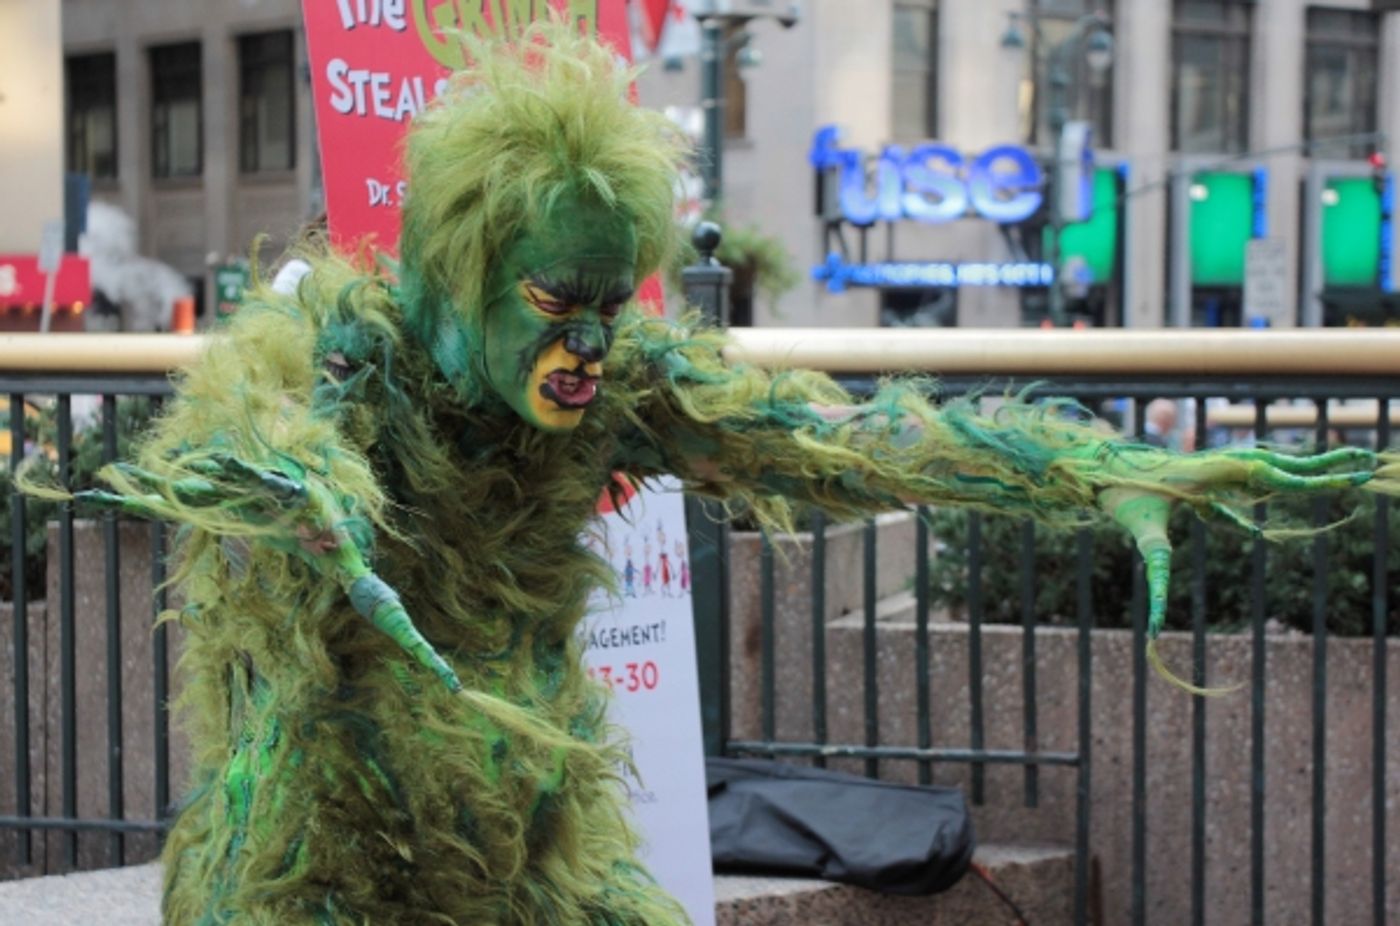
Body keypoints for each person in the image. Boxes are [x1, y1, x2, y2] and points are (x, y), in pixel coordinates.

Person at [39, 24, 1394, 925]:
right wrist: (304, 487)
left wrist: (1077, 466)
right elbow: (235, 438)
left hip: (522, 847)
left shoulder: (610, 382)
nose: (583, 347)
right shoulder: (339, 364)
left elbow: (835, 443)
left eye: (604, 309)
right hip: (318, 861)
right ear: (461, 276)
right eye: (550, 306)